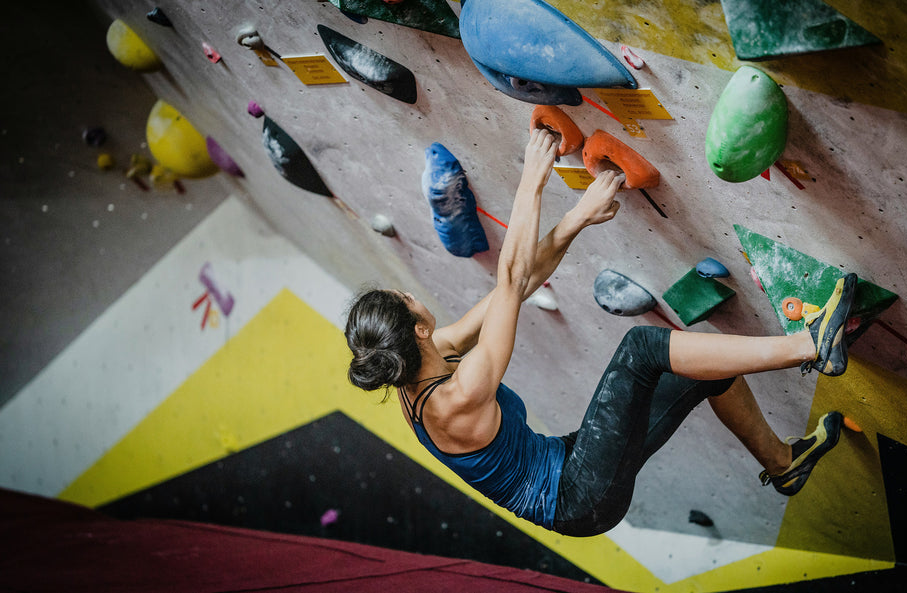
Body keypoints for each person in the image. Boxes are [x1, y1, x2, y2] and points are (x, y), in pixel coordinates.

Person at [344, 128, 857, 537]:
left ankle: (784, 464)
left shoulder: (432, 356)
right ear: (416, 328)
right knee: (642, 349)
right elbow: (511, 277)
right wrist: (533, 178)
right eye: (404, 299)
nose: (411, 294)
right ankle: (811, 345)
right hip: (578, 498)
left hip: (573, 462)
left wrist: (577, 220)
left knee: (703, 371)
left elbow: (517, 289)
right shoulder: (455, 397)